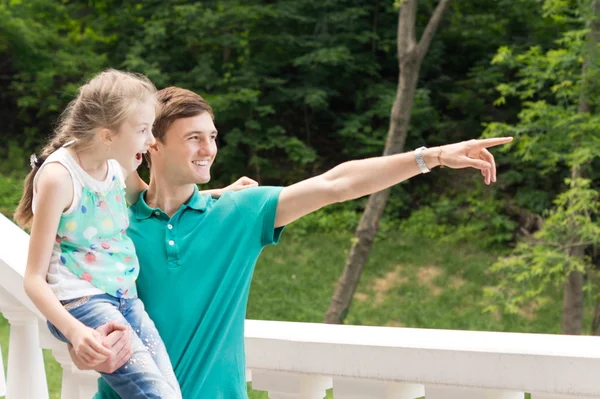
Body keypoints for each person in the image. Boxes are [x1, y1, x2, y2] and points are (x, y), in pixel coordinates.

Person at [69, 86, 512, 398]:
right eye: (193, 138)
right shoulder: (114, 222)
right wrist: (84, 347)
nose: (208, 149)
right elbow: (82, 304)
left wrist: (430, 157)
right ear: (154, 145)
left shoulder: (239, 214)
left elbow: (336, 183)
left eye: (212, 137)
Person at [14, 71, 256, 399]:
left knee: (172, 391)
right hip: (83, 304)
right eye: (143, 130)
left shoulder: (115, 165)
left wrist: (218, 193)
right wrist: (76, 332)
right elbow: (33, 279)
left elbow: (153, 197)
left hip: (125, 300)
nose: (149, 141)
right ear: (107, 135)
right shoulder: (60, 178)